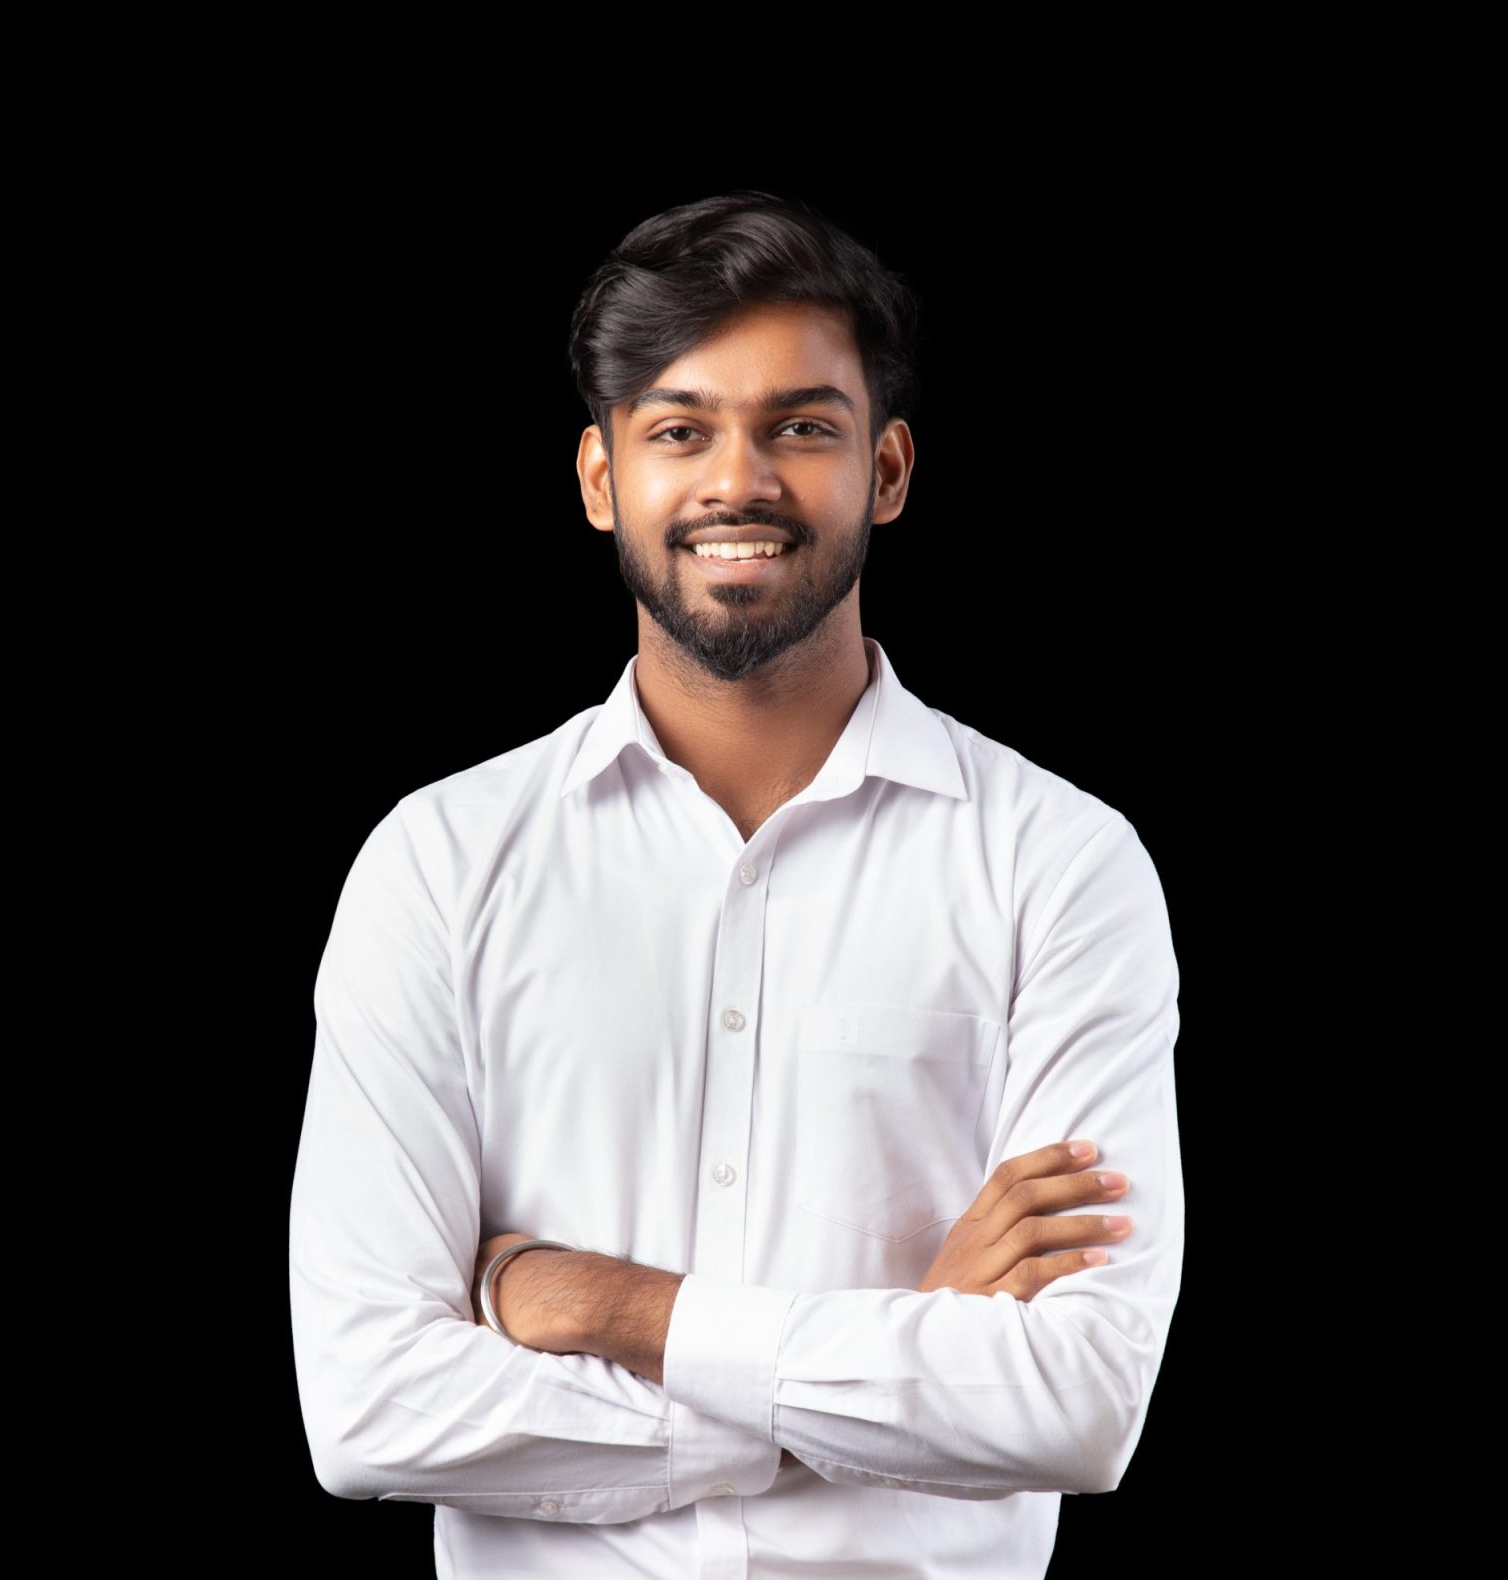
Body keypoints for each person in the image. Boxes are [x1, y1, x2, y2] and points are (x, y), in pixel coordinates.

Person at [287, 190, 1183, 1579]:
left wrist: (607, 1308)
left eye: (802, 428)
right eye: (680, 430)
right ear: (602, 479)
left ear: (888, 469)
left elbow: (1075, 1402)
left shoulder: (1060, 866)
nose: (738, 483)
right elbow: (369, 1406)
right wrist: (893, 1368)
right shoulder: (441, 864)